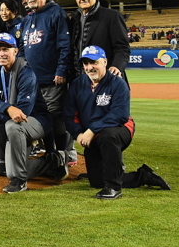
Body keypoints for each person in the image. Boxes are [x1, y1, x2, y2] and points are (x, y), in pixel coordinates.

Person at [64, 46, 170, 199]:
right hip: (92, 134)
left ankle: (113, 187)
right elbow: (69, 115)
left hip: (120, 128)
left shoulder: (118, 84)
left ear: (105, 62)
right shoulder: (77, 85)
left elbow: (119, 115)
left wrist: (91, 130)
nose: (89, 67)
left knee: (109, 136)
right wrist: (79, 133)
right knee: (97, 181)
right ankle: (143, 176)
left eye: (94, 62)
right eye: (85, 63)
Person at [0, 33, 69, 193]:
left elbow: (22, 112)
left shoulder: (26, 73)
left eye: (6, 49)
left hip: (37, 120)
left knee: (11, 125)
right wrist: (7, 109)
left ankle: (20, 180)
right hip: (14, 121)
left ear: (15, 51)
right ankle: (53, 160)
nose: (1, 53)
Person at [20, 0, 72, 157]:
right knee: (43, 117)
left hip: (51, 78)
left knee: (55, 116)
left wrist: (61, 70)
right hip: (33, 80)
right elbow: (21, 48)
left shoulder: (56, 13)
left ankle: (62, 155)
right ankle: (50, 153)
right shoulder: (28, 19)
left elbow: (65, 45)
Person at [70, 0, 130, 82]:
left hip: (105, 78)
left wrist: (117, 66)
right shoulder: (74, 19)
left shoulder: (111, 16)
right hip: (80, 80)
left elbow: (122, 47)